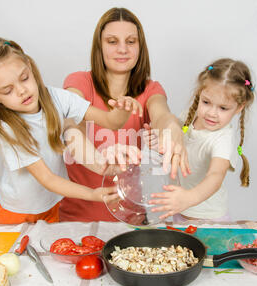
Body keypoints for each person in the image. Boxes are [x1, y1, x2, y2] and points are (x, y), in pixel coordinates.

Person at [0, 37, 142, 224]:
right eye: (7, 90)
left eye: (24, 78)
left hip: (51, 205)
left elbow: (110, 121)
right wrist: (92, 194)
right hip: (17, 212)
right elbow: (47, 179)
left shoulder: (57, 98)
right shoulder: (8, 128)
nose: (22, 91)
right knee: (13, 254)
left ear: (29, 66)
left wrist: (124, 109)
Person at [59, 7, 190, 222]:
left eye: (130, 41)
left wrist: (173, 128)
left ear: (140, 47)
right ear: (99, 47)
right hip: (76, 222)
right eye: (112, 41)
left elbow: (162, 116)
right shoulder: (79, 82)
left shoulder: (151, 90)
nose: (123, 49)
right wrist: (101, 163)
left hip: (130, 223)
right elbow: (70, 126)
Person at [149, 58, 255, 221]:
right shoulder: (188, 118)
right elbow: (175, 144)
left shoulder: (223, 140)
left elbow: (215, 175)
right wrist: (160, 141)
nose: (212, 113)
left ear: (238, 108)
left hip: (208, 218)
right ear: (200, 95)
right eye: (206, 102)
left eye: (223, 108)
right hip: (179, 209)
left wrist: (188, 198)